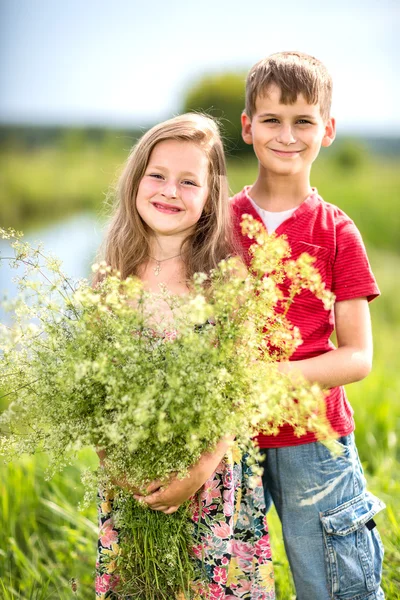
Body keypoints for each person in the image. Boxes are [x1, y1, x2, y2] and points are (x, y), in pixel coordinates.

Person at [95, 113, 275, 599]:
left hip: (210, 476)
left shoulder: (227, 281)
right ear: (136, 180)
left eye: (188, 182)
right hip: (132, 480)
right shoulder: (111, 276)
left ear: (210, 196)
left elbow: (238, 388)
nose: (169, 191)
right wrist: (115, 464)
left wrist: (196, 470)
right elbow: (90, 391)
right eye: (157, 175)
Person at [231, 51, 386, 600]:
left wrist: (269, 378)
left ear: (329, 129)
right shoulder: (218, 225)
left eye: (303, 121)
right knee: (225, 581)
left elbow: (357, 357)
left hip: (314, 441)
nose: (287, 135)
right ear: (248, 127)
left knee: (335, 585)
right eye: (271, 119)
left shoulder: (338, 231)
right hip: (226, 438)